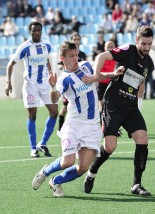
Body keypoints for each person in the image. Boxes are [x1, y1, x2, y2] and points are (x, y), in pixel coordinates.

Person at [31, 41, 124, 197]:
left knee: (83, 167)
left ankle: (55, 181)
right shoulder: (63, 79)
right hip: (74, 125)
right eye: (71, 56)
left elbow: (97, 76)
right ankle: (45, 171)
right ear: (63, 58)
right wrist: (53, 87)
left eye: (76, 55)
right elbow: (54, 99)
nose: (75, 59)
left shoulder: (86, 66)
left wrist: (112, 75)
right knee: (67, 162)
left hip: (92, 126)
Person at [82, 25, 155, 196]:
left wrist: (139, 105)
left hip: (130, 106)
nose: (146, 47)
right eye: (143, 43)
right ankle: (91, 173)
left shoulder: (148, 62)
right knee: (110, 147)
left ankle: (136, 184)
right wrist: (95, 75)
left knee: (142, 139)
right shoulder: (127, 50)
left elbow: (141, 83)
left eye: (149, 44)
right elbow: (102, 55)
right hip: (113, 104)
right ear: (137, 40)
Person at [4, 21, 58, 158]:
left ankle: (43, 143)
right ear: (30, 32)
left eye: (38, 30)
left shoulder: (47, 45)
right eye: (34, 30)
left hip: (45, 84)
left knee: (54, 112)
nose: (36, 32)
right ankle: (33, 148)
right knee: (32, 114)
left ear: (41, 31)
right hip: (30, 85)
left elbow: (46, 60)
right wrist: (8, 82)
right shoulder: (25, 47)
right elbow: (11, 64)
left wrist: (51, 74)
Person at [57, 32, 87, 133]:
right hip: (69, 84)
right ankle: (61, 130)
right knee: (65, 108)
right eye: (74, 39)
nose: (76, 41)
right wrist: (67, 66)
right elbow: (60, 66)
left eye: (78, 39)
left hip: (80, 84)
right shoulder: (66, 53)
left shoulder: (82, 54)